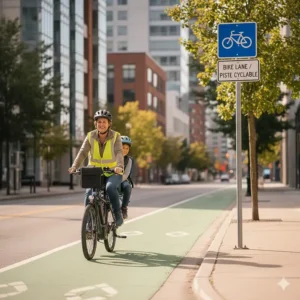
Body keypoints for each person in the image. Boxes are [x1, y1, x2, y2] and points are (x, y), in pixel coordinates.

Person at [68, 109, 124, 227]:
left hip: (112, 171)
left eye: (104, 122)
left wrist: (119, 166)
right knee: (89, 194)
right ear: (96, 124)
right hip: (94, 172)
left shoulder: (116, 136)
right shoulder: (90, 136)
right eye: (99, 122)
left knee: (110, 187)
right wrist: (74, 166)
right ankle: (88, 224)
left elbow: (119, 152)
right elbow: (83, 152)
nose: (101, 124)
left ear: (109, 124)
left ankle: (117, 214)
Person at [120, 135, 134, 219]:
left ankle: (124, 208)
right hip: (110, 178)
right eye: (123, 147)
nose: (125, 150)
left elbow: (126, 174)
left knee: (127, 187)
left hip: (122, 179)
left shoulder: (129, 160)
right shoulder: (111, 157)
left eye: (127, 148)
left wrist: (118, 180)